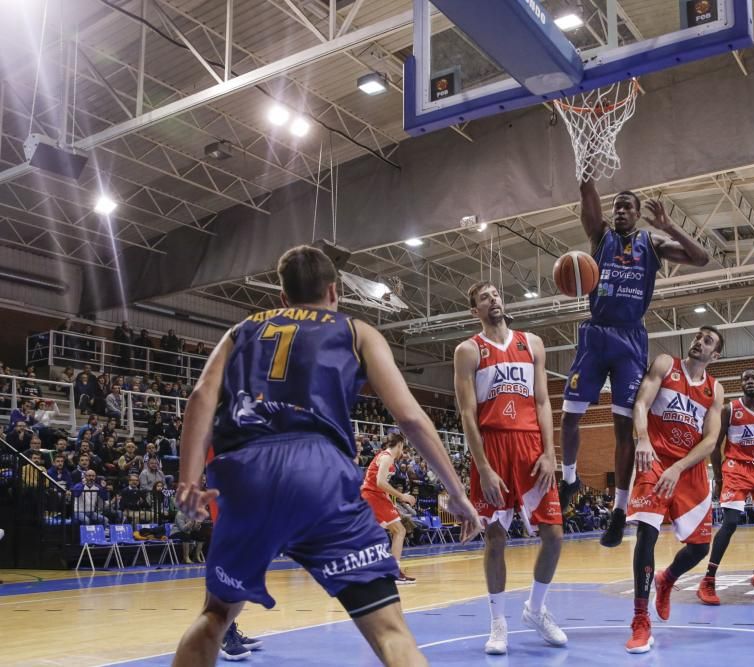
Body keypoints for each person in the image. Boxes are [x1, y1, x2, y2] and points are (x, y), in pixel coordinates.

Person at [171, 245, 481, 667]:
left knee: (214, 616)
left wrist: (189, 481)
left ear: (283, 297)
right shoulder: (356, 330)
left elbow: (201, 395)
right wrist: (457, 493)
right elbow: (409, 418)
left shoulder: (242, 329)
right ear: (334, 291)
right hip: (319, 474)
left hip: (245, 473)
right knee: (391, 633)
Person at [558, 179, 710, 548]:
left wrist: (670, 227)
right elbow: (588, 202)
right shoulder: (600, 237)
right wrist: (587, 176)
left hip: (630, 340)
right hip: (596, 335)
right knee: (569, 415)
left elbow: (702, 258)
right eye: (618, 206)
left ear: (639, 213)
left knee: (623, 430)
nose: (621, 211)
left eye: (628, 206)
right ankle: (569, 478)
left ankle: (619, 511)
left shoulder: (652, 244)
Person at [454, 282, 566, 655]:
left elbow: (544, 401)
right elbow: (467, 414)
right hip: (493, 446)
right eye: (484, 297)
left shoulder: (532, 343)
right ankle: (498, 623)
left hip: (532, 447)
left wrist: (550, 452)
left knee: (554, 536)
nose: (494, 299)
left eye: (496, 294)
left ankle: (535, 609)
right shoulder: (469, 350)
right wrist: (483, 467)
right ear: (475, 310)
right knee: (496, 538)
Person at [624, 327, 724, 654]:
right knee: (647, 533)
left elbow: (710, 441)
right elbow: (641, 402)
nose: (699, 342)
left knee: (699, 548)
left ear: (716, 355)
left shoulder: (715, 390)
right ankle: (640, 619)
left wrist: (679, 467)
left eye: (708, 341)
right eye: (698, 336)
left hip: (688, 468)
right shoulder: (666, 364)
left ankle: (666, 579)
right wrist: (642, 438)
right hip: (654, 458)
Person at [697, 369, 754, 606]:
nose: (750, 381)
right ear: (741, 384)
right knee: (730, 522)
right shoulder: (730, 409)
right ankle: (708, 580)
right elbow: (716, 445)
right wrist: (718, 478)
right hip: (735, 469)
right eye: (745, 379)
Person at [360, 432, 418, 585]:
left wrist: (389, 500)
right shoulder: (386, 457)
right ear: (399, 445)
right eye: (402, 448)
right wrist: (401, 496)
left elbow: (380, 483)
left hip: (375, 496)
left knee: (380, 533)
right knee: (399, 531)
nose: (403, 451)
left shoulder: (387, 458)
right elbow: (379, 482)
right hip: (372, 495)